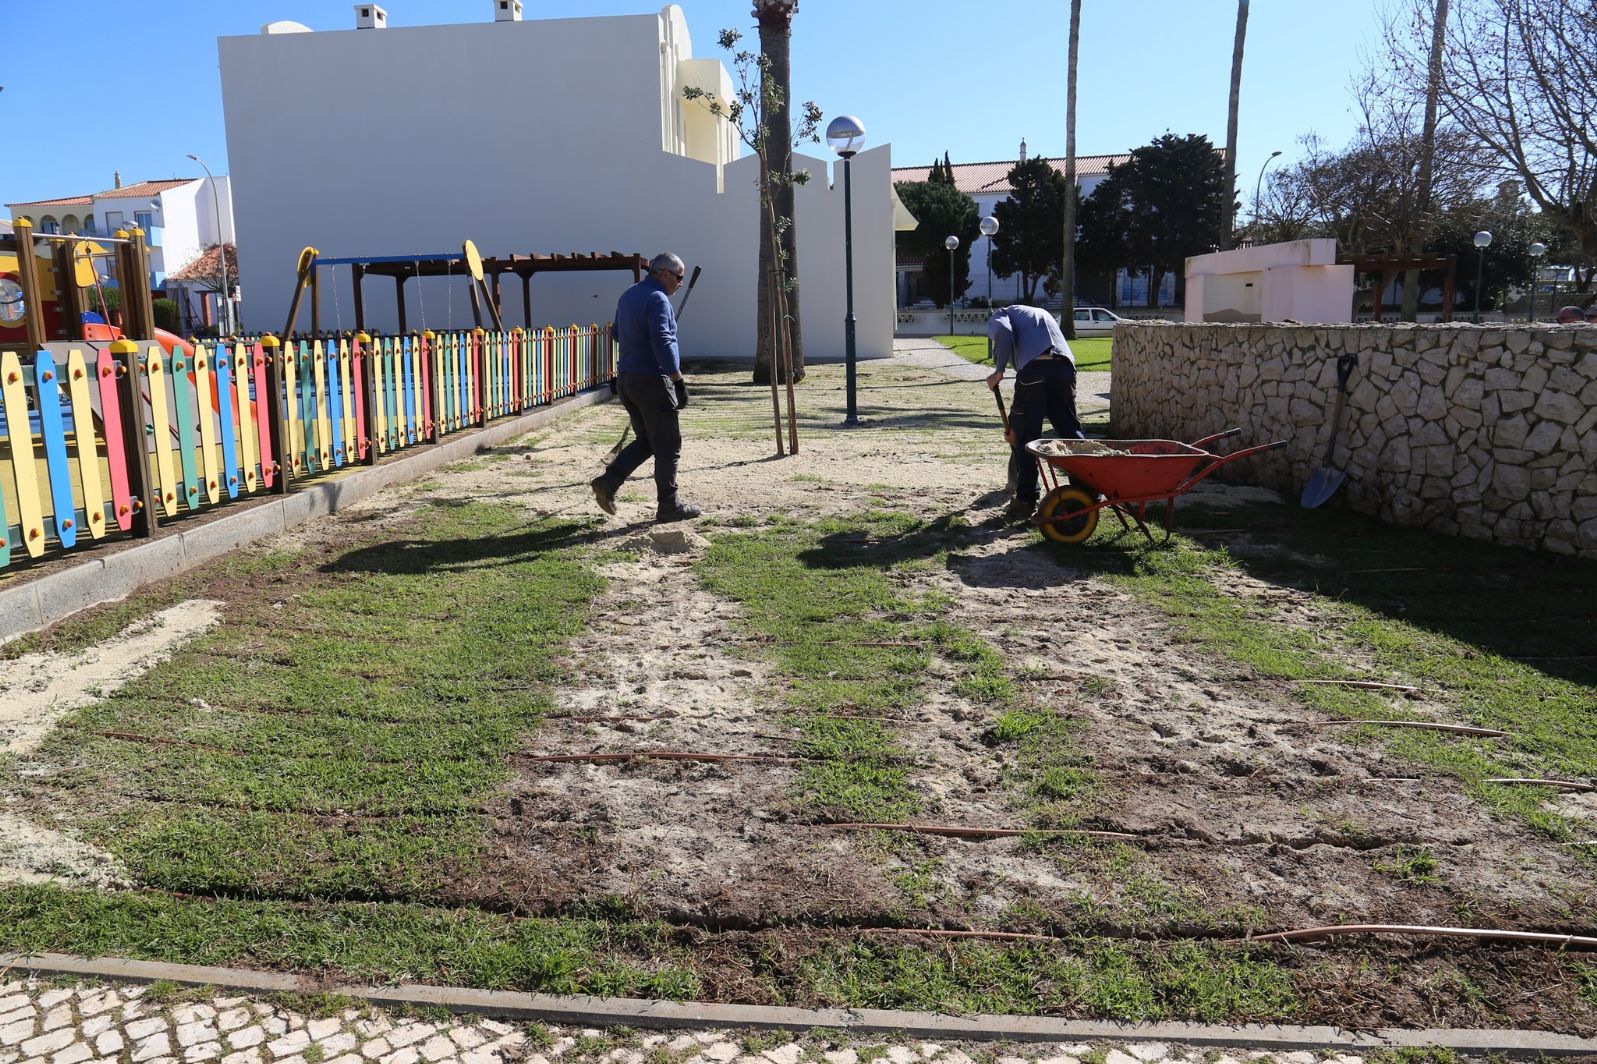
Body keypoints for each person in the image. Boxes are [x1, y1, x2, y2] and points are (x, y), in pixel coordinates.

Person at [590, 252, 700, 522]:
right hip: (652, 380)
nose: (680, 283)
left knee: (648, 441)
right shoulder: (658, 299)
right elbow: (662, 341)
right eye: (678, 277)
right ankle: (669, 505)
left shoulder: (629, 295)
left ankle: (609, 482)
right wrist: (677, 380)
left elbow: (616, 333)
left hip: (628, 379)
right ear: (663, 273)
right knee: (668, 444)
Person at [985, 305, 1084, 520]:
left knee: (1026, 438)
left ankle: (1026, 499)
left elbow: (1003, 332)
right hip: (1065, 369)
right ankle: (1086, 489)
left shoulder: (1001, 313)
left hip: (1033, 371)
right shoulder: (1039, 313)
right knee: (1071, 433)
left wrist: (999, 370)